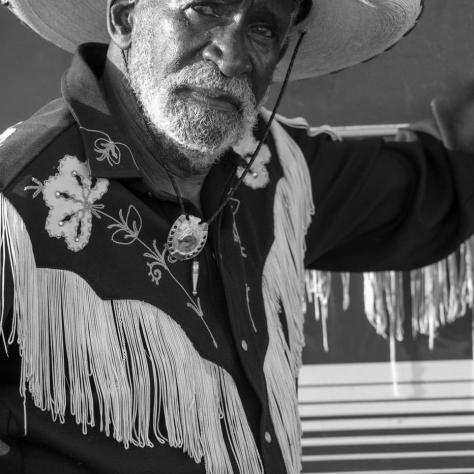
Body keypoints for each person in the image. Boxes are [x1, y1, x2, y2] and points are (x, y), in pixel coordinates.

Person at [0, 0, 473, 473]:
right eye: (202, 9)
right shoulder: (15, 203)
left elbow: (430, 190)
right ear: (124, 18)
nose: (232, 56)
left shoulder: (273, 168)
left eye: (263, 29)